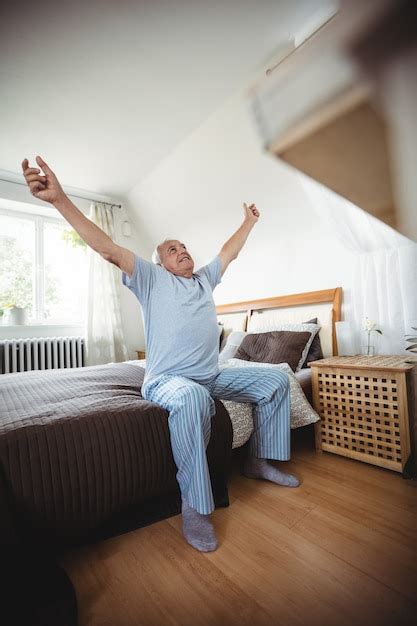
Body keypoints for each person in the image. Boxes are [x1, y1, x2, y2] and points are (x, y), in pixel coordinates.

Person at [22, 156, 300, 553]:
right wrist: (60, 200)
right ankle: (196, 504)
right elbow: (108, 249)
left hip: (214, 373)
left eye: (184, 246)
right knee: (192, 397)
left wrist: (249, 222)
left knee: (276, 378)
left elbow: (229, 251)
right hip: (168, 382)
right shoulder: (151, 280)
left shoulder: (204, 279)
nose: (182, 251)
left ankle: (260, 460)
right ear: (160, 264)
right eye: (173, 249)